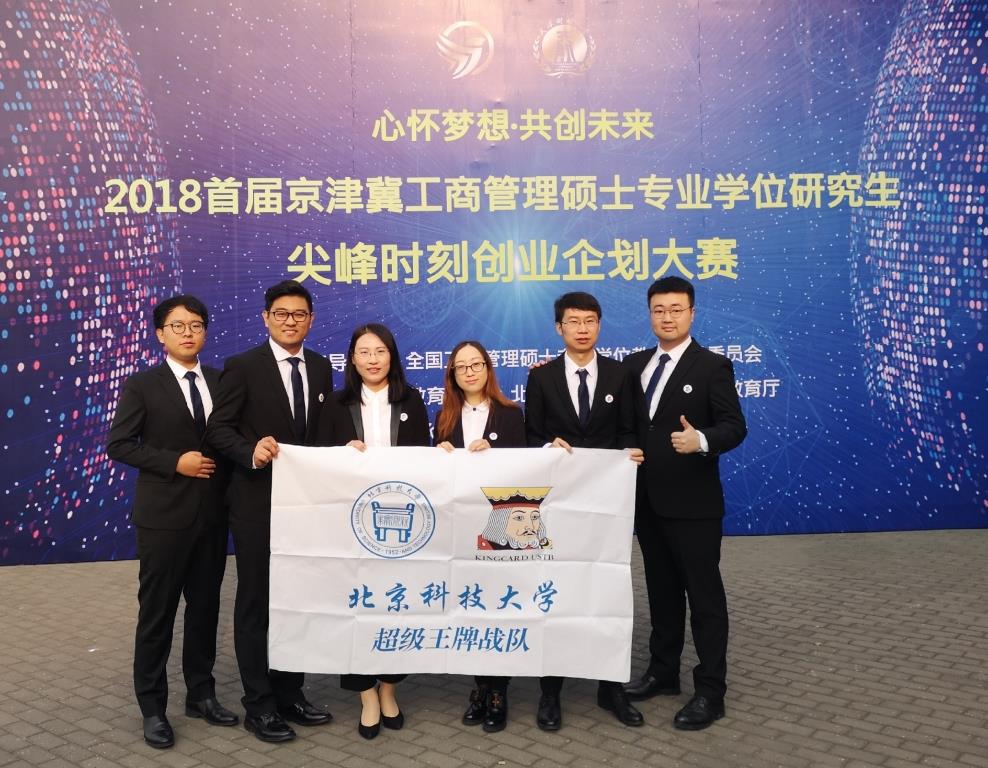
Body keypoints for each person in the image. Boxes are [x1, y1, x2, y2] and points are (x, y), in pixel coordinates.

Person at [205, 280, 335, 743]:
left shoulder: (320, 367)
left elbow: (323, 435)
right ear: (266, 318)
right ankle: (258, 705)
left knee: (298, 600)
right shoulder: (242, 367)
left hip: (306, 508)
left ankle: (289, 693)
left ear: (311, 320)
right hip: (257, 504)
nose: (290, 321)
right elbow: (217, 430)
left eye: (299, 314)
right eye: (281, 313)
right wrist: (251, 451)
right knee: (257, 603)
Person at [107, 295, 237, 749]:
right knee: (157, 614)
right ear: (160, 333)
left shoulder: (222, 381)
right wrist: (173, 462)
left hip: (213, 516)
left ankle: (201, 695)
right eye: (177, 325)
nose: (188, 333)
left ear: (205, 332)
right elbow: (120, 444)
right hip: (163, 518)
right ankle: (153, 707)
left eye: (196, 325)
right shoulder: (143, 385)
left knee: (204, 611)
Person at [620, 276, 747, 730]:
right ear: (649, 314)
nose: (667, 317)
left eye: (676, 309)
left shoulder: (712, 366)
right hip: (648, 502)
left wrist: (702, 440)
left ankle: (711, 691)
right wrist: (545, 370)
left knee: (705, 599)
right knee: (662, 593)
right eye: (659, 309)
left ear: (692, 313)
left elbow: (734, 426)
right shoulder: (634, 365)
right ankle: (663, 672)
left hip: (694, 505)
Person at [524, 291, 645, 730]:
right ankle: (550, 692)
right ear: (559, 327)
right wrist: (547, 446)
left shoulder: (620, 374)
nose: (582, 328)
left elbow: (629, 429)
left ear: (599, 325)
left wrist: (629, 454)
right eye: (573, 321)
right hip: (557, 505)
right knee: (555, 592)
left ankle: (610, 687)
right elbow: (531, 435)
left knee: (606, 591)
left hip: (606, 506)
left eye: (590, 320)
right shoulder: (541, 377)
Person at [331, 322, 430, 739]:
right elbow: (319, 462)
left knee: (396, 604)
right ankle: (366, 695)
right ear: (352, 359)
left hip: (401, 523)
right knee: (357, 606)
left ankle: (389, 688)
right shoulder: (335, 404)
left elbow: (424, 459)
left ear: (392, 356)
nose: (373, 360)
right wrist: (340, 454)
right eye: (364, 352)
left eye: (381, 352)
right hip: (352, 524)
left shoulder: (412, 400)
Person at [434, 340, 525, 733]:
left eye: (476, 364)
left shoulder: (511, 414)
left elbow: (525, 471)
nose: (469, 372)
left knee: (499, 608)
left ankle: (499, 690)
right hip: (460, 529)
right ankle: (480, 688)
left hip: (499, 529)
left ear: (488, 368)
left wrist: (495, 452)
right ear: (452, 375)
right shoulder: (443, 418)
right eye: (461, 366)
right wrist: (438, 453)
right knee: (471, 607)